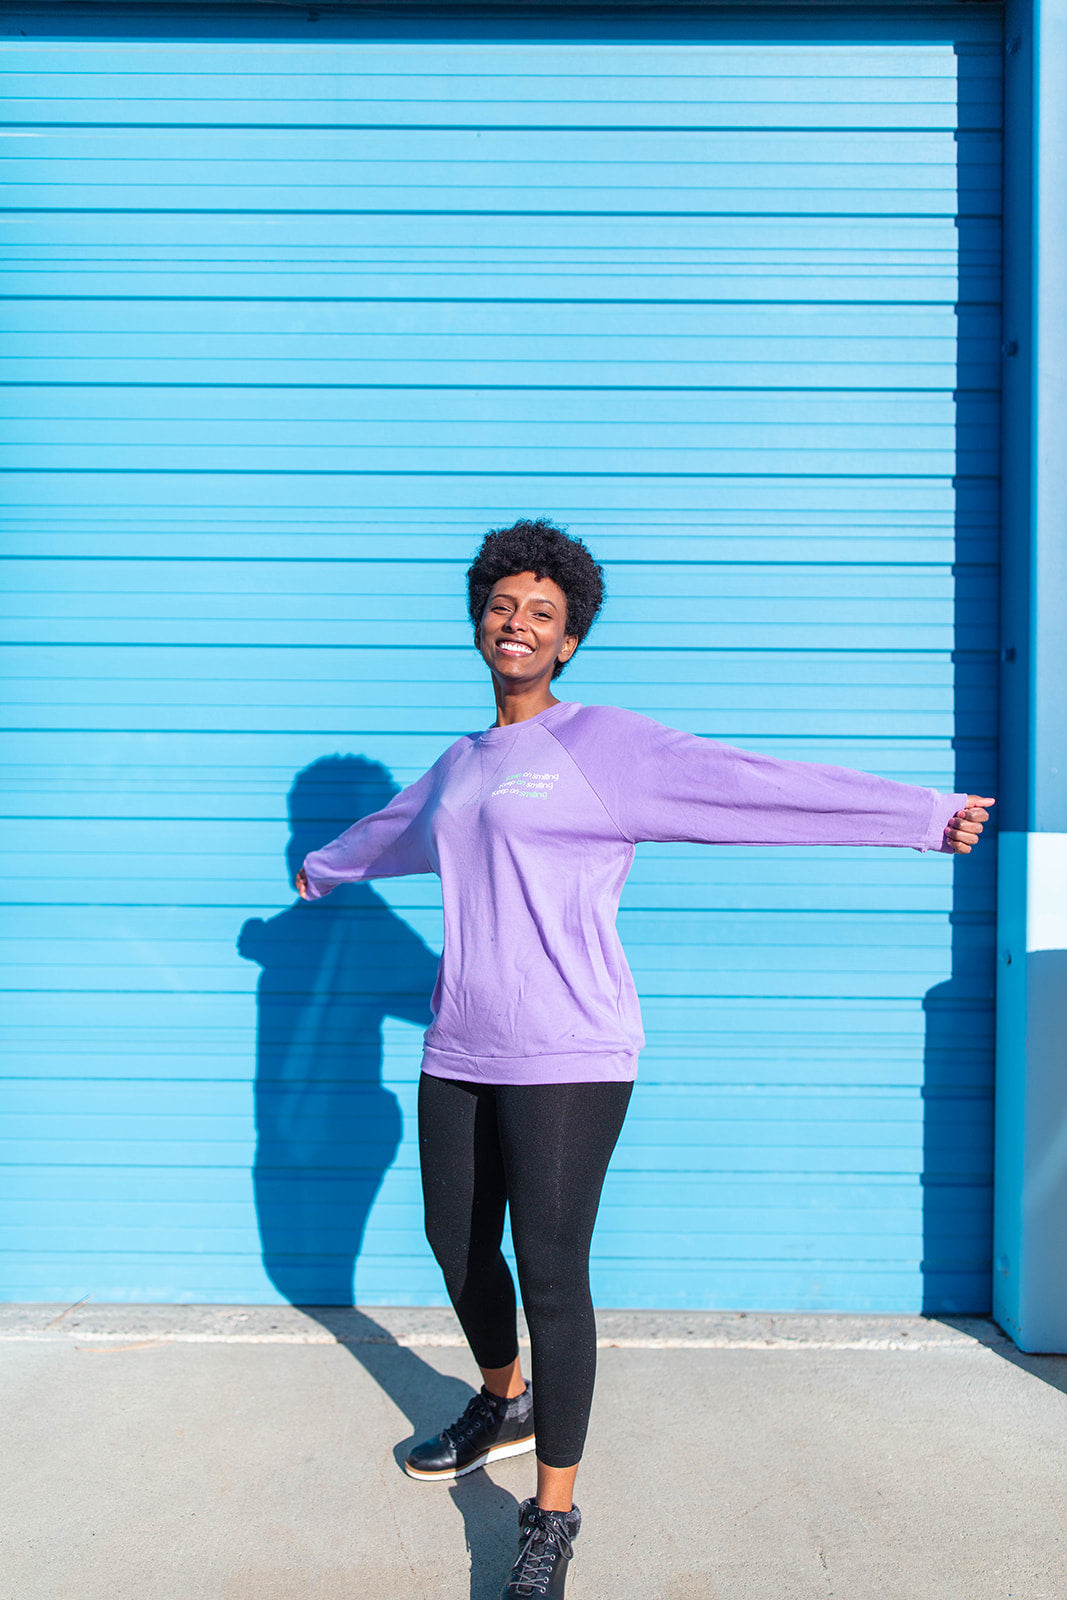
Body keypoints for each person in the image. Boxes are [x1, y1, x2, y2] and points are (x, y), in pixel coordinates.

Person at [297, 519, 993, 1599]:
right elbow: (390, 834)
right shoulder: (457, 766)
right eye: (501, 605)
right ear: (477, 620)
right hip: (459, 1047)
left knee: (552, 1273)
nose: (516, 624)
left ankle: (551, 1516)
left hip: (570, 1050)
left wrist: (920, 816)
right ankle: (503, 1398)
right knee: (452, 1242)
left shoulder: (602, 749)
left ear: (567, 641)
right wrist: (318, 870)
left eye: (541, 613)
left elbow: (752, 788)